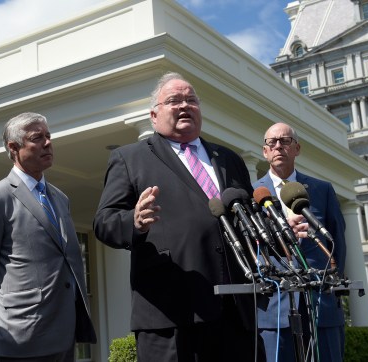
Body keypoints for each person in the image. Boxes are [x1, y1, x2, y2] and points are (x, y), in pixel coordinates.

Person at [93, 72, 265, 361]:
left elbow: (247, 216)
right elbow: (104, 222)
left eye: (191, 100)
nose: (184, 105)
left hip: (235, 312)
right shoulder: (130, 157)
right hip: (172, 312)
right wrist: (134, 222)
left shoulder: (229, 158)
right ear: (153, 115)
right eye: (173, 100)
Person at [0, 112, 97, 361]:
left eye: (48, 136)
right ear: (13, 147)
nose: (48, 143)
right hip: (19, 336)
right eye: (37, 138)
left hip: (64, 333)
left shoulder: (60, 198)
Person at [253, 122, 346, 362]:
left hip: (320, 305)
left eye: (285, 141)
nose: (278, 147)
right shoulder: (251, 194)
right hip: (274, 308)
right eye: (271, 143)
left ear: (297, 148)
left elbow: (338, 242)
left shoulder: (322, 190)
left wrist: (331, 286)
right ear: (264, 152)